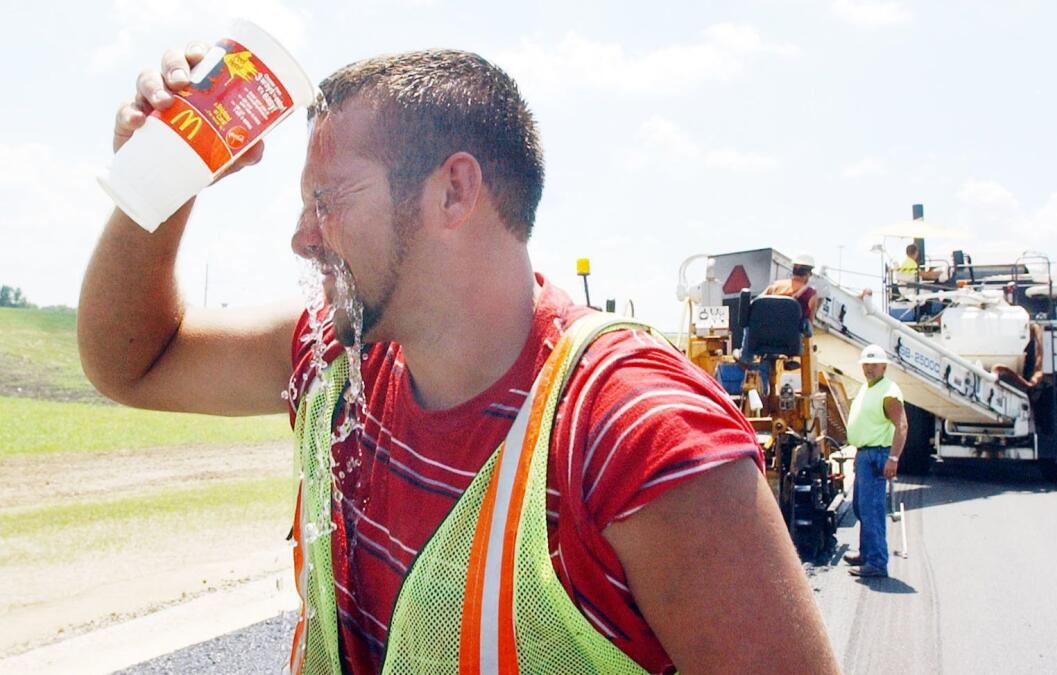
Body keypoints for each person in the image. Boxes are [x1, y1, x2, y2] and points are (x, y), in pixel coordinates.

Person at [79, 44, 839, 673]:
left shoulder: (634, 433)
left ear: (453, 191)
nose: (302, 238)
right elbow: (135, 361)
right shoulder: (338, 360)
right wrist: (163, 184)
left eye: (326, 200)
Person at [843, 344, 908, 578]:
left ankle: (877, 562)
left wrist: (893, 458)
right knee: (861, 507)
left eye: (874, 364)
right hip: (864, 454)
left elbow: (901, 425)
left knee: (872, 509)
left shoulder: (889, 391)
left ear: (884, 366)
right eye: (866, 364)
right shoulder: (867, 388)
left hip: (877, 455)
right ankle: (866, 552)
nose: (869, 368)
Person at [762, 253, 823, 320]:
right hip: (792, 330)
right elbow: (810, 322)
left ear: (793, 271)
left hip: (765, 328)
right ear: (808, 274)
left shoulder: (775, 286)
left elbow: (756, 303)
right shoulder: (811, 294)